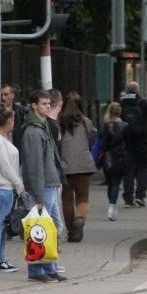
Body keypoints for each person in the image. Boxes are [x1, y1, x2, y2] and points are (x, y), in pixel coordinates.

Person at [20, 89, 67, 283]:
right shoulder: (33, 131)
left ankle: (50, 266)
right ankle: (37, 270)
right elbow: (35, 166)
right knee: (40, 227)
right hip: (43, 186)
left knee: (53, 226)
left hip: (51, 183)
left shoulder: (44, 126)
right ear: (34, 106)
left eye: (49, 104)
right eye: (44, 104)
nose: (48, 106)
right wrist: (38, 196)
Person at [0, 108, 25, 273]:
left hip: (6, 187)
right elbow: (5, 167)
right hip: (2, 187)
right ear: (8, 121)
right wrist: (18, 184)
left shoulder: (2, 140)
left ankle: (1, 258)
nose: (14, 123)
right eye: (13, 119)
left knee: (2, 224)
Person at [58, 91, 97, 242]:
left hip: (65, 166)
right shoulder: (86, 122)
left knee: (66, 200)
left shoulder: (59, 122)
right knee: (83, 198)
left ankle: (71, 232)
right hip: (83, 165)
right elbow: (91, 140)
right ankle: (80, 219)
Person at [119, 81, 147, 207]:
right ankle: (140, 196)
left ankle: (128, 197)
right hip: (142, 140)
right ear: (138, 90)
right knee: (143, 167)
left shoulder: (122, 102)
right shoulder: (144, 103)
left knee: (128, 169)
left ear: (126, 90)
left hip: (126, 140)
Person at [100, 102, 130, 221]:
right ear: (120, 112)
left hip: (108, 157)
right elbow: (129, 144)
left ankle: (111, 205)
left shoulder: (106, 126)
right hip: (121, 157)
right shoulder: (125, 126)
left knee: (110, 183)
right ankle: (113, 206)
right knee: (116, 184)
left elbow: (103, 143)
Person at [0, 84, 29, 149]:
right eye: (1, 95)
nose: (3, 98)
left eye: (6, 94)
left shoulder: (22, 112)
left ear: (12, 95)